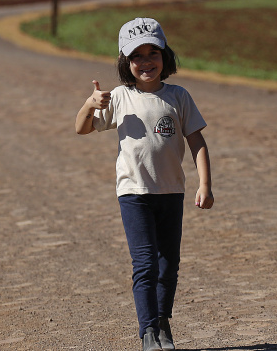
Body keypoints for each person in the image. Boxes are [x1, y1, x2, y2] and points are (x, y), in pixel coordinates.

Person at [75, 17, 214, 351]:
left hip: (171, 192)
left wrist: (205, 184)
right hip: (134, 194)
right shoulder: (120, 97)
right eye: (137, 55)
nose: (146, 61)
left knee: (169, 265)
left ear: (166, 56)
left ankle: (163, 324)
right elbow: (82, 128)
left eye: (154, 52)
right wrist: (89, 104)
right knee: (146, 265)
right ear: (126, 62)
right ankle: (148, 333)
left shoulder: (179, 96)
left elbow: (197, 141)